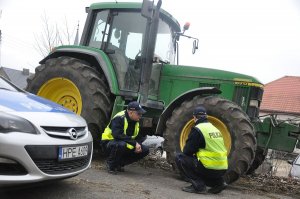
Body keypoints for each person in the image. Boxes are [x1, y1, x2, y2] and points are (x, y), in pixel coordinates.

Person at [175, 106, 228, 194]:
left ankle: (199, 186)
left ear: (194, 117)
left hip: (209, 167)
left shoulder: (198, 129)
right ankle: (220, 183)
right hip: (222, 168)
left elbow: (187, 151)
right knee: (204, 162)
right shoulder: (215, 129)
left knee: (180, 158)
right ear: (206, 117)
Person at [101, 101, 149, 174]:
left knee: (145, 150)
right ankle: (111, 165)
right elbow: (117, 135)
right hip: (109, 143)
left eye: (141, 114)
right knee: (120, 145)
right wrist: (134, 143)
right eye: (138, 113)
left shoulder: (136, 120)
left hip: (124, 142)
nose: (140, 116)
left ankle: (119, 164)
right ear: (130, 113)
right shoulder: (119, 118)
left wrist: (137, 144)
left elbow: (140, 136)